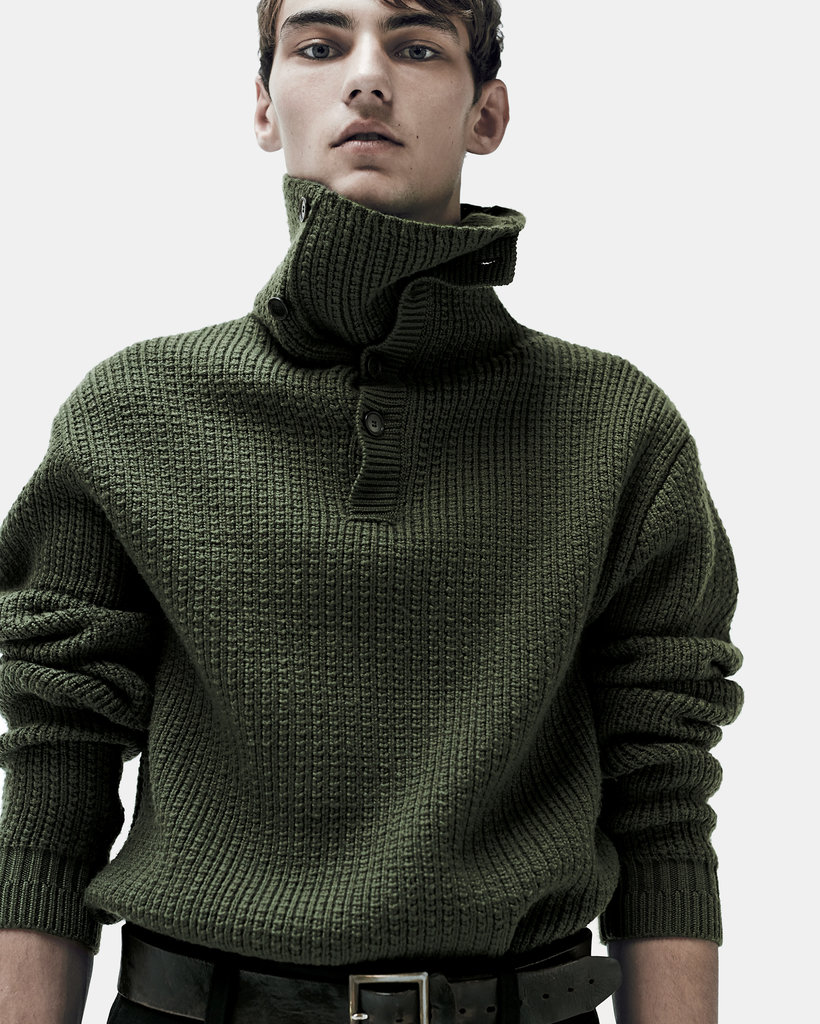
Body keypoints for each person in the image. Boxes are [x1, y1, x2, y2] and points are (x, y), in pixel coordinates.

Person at [0, 1, 744, 1022]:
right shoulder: (134, 413)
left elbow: (661, 795)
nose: (365, 76)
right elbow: (56, 776)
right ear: (264, 107)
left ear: (487, 113)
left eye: (416, 44)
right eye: (318, 45)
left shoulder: (616, 430)